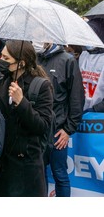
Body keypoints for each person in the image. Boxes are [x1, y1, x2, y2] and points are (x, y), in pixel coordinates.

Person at [0, 40, 54, 197]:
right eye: (1, 56)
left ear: (21, 63)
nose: (1, 61)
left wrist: (21, 102)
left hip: (24, 167)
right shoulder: (1, 79)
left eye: (6, 58)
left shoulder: (41, 86)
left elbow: (42, 125)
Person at [36, 42, 84, 197]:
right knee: (38, 172)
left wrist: (68, 129)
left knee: (59, 173)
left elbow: (77, 98)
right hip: (37, 127)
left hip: (58, 131)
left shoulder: (67, 60)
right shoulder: (34, 59)